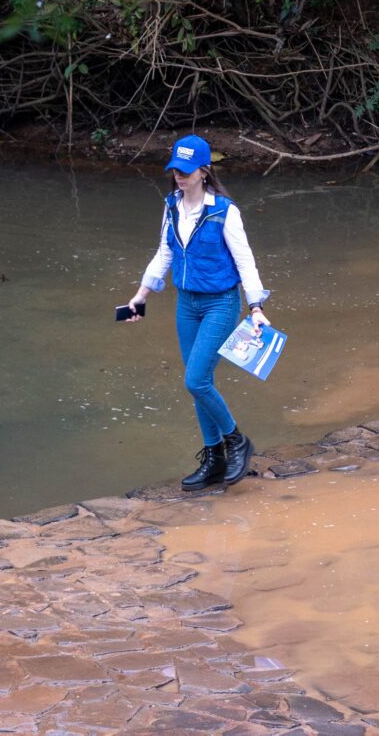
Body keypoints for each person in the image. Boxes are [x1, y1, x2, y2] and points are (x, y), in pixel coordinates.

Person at [122, 135, 270, 491]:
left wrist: (257, 307)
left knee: (196, 380)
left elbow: (246, 262)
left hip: (221, 302)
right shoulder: (171, 206)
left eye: (186, 171)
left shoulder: (224, 211)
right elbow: (164, 253)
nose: (179, 176)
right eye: (175, 170)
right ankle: (214, 458)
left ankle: (236, 441)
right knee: (199, 384)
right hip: (186, 304)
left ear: (205, 171)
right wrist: (141, 295)